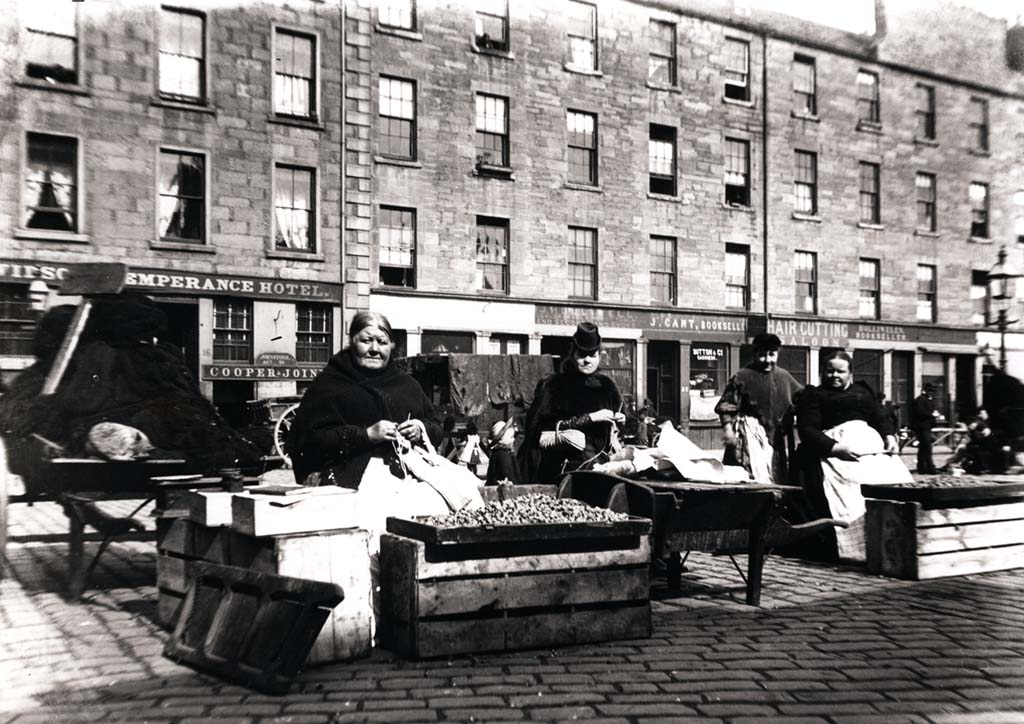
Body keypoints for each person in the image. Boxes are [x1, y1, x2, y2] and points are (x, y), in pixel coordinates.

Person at [288, 310, 443, 489]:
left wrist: (420, 429)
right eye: (366, 341)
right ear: (352, 340)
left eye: (382, 342)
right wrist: (366, 435)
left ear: (391, 345)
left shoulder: (407, 384)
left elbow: (436, 427)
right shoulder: (329, 383)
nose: (375, 350)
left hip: (407, 478)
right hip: (349, 482)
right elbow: (306, 440)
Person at [795, 350, 911, 561]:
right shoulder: (814, 395)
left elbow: (880, 417)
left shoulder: (863, 391)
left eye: (840, 371)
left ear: (850, 373)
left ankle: (896, 536)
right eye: (829, 371)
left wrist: (890, 436)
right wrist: (836, 448)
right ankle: (854, 544)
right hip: (833, 453)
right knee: (849, 487)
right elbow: (807, 430)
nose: (834, 376)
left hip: (871, 452)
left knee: (891, 481)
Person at [518, 322, 625, 483]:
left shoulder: (607, 386)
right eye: (582, 355)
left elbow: (625, 427)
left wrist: (622, 420)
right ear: (572, 354)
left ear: (599, 357)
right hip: (561, 470)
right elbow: (536, 431)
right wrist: (590, 418)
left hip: (601, 467)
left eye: (593, 355)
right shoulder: (553, 385)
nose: (587, 360)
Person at [714, 333, 803, 484]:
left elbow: (801, 399)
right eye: (762, 355)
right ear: (754, 354)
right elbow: (725, 406)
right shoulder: (742, 376)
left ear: (777, 354)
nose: (767, 360)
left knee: (775, 476)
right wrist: (728, 431)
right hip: (748, 436)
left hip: (775, 438)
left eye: (772, 355)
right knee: (749, 476)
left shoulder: (784, 377)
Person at [911, 383, 941, 474]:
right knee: (927, 447)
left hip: (927, 427)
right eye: (930, 391)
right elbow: (919, 412)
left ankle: (922, 468)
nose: (931, 393)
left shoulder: (929, 400)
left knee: (923, 448)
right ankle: (930, 468)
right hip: (921, 427)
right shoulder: (920, 400)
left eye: (933, 392)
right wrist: (931, 414)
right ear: (926, 390)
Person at [484, 418, 521, 485]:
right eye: (510, 437)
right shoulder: (502, 454)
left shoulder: (500, 452)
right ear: (501, 440)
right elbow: (507, 473)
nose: (513, 440)